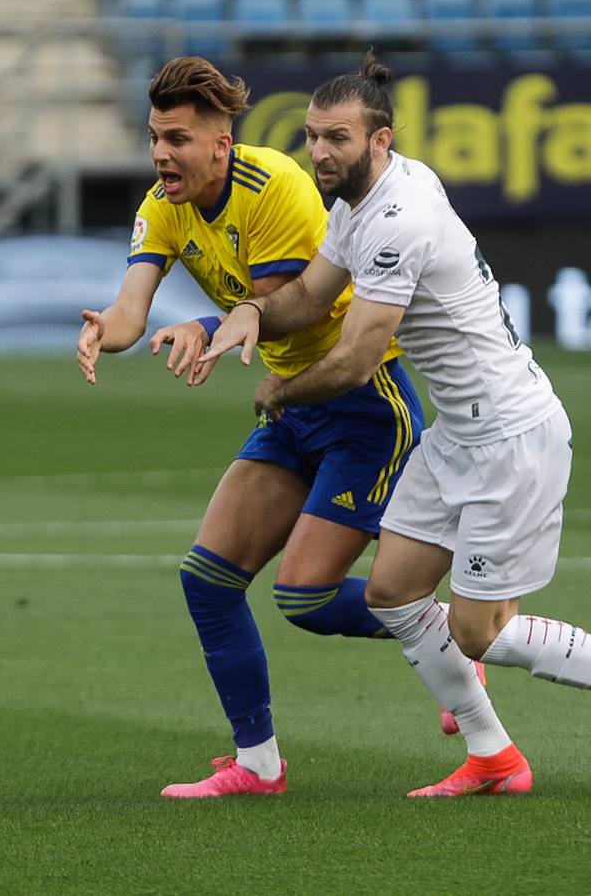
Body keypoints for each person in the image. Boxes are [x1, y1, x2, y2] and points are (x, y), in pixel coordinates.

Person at [201, 51, 591, 797]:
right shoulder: (364, 199)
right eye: (312, 135)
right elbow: (313, 294)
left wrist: (280, 392)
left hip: (511, 436)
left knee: (482, 632)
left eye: (337, 138)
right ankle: (494, 757)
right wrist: (248, 310)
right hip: (456, 438)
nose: (318, 151)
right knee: (393, 596)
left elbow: (354, 358)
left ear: (379, 140)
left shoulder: (396, 218)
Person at [76, 56, 430, 799]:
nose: (160, 154)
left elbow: (277, 307)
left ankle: (453, 636)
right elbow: (132, 313)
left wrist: (204, 325)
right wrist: (104, 329)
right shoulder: (163, 203)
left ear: (220, 143)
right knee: (207, 580)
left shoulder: (272, 190)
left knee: (303, 598)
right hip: (291, 402)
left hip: (362, 401)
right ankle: (259, 764)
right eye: (153, 137)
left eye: (176, 138)